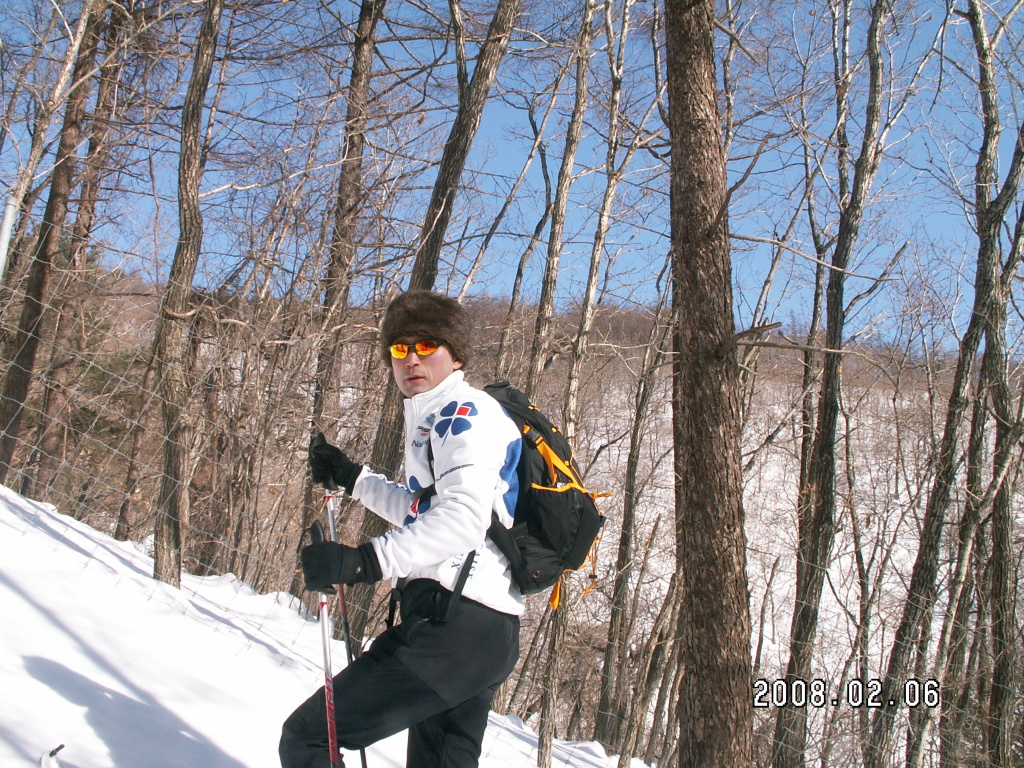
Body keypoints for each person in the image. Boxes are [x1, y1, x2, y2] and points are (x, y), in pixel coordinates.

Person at [280, 290, 524, 768]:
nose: (412, 358)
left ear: (456, 355)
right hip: (482, 630)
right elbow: (425, 510)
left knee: (310, 738)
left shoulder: (463, 416)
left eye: (427, 345)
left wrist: (363, 561)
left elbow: (464, 519)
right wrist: (354, 479)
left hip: (454, 624)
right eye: (400, 348)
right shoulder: (435, 415)